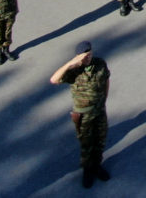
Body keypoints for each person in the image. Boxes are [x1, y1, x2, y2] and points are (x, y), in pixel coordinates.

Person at [50, 41, 111, 188]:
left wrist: (104, 100)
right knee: (87, 145)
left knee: (100, 141)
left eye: (89, 55)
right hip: (83, 115)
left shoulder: (100, 63)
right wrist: (70, 63)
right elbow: (54, 79)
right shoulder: (73, 71)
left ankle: (97, 166)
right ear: (78, 57)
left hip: (99, 110)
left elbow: (106, 81)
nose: (87, 58)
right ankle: (87, 170)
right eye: (84, 56)